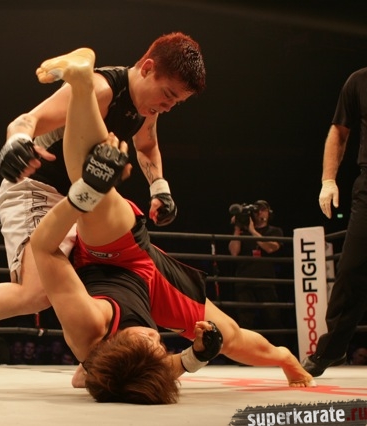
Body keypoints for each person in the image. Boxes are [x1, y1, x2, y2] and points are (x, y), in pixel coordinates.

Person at [0, 32, 206, 378]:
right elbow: (26, 121)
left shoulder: (146, 106)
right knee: (35, 293)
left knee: (96, 286)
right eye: (168, 95)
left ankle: (94, 364)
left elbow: (146, 145)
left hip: (81, 201)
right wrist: (16, 143)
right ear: (148, 68)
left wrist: (160, 188)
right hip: (39, 189)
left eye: (176, 102)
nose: (168, 106)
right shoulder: (101, 89)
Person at [28, 47, 314, 403]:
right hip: (155, 283)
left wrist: (85, 192)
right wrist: (195, 356)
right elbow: (163, 366)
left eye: (151, 346)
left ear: (118, 350)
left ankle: (82, 82)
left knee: (94, 198)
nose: (157, 339)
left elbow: (43, 248)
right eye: (161, 350)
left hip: (111, 257)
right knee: (230, 336)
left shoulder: (88, 324)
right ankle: (286, 357)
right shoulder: (141, 364)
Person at [302, 67, 367, 377]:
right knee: (352, 269)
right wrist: (328, 180)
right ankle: (332, 348)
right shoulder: (359, 81)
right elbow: (339, 131)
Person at [228, 200, 284, 339]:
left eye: (263, 210)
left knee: (272, 317)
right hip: (244, 280)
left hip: (266, 280)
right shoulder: (243, 233)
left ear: (269, 213)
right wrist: (237, 228)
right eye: (257, 210)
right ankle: (245, 351)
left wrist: (252, 231)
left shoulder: (274, 231)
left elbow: (270, 248)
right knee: (245, 320)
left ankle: (277, 349)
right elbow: (234, 252)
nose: (260, 213)